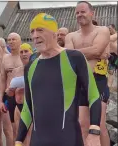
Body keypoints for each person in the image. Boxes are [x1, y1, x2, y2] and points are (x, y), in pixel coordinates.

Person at [16, 12, 102, 146]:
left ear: (54, 33)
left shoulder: (74, 57)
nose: (34, 35)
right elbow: (28, 107)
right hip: (38, 141)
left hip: (68, 139)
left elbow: (94, 95)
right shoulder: (31, 67)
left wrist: (94, 131)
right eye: (32, 31)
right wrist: (18, 141)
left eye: (40, 30)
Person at [64, 2, 111, 145]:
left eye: (83, 11)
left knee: (99, 125)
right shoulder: (71, 36)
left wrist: (75, 53)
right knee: (83, 125)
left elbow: (97, 50)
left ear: (92, 13)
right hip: (79, 82)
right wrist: (92, 52)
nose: (80, 15)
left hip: (97, 80)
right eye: (77, 13)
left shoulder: (102, 30)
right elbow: (67, 57)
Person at [0, 32, 26, 146]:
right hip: (9, 96)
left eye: (14, 39)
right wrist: (0, 100)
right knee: (13, 129)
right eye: (9, 40)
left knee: (26, 128)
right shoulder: (5, 58)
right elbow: (2, 79)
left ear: (20, 41)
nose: (11, 42)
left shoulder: (25, 55)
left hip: (24, 96)